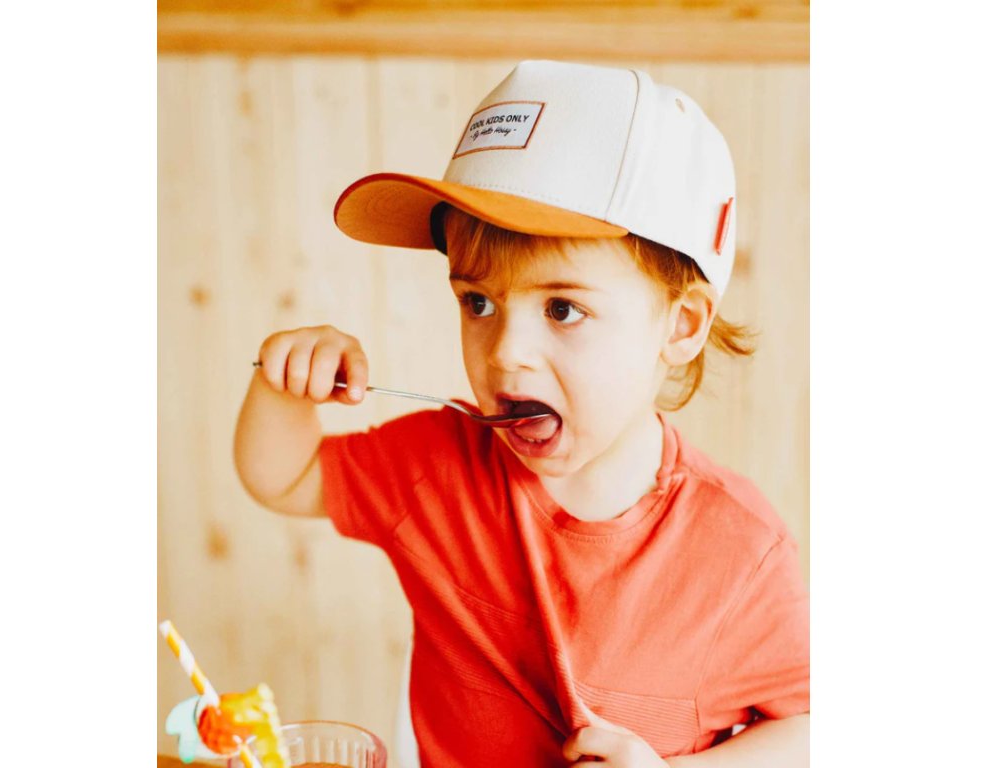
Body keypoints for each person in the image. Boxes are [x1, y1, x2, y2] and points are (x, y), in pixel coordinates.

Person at [233, 59, 809, 767]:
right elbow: (284, 477)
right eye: (478, 302)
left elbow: (811, 730)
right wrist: (283, 384)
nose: (505, 352)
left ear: (681, 325)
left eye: (562, 309)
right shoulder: (439, 466)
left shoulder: (738, 552)